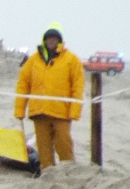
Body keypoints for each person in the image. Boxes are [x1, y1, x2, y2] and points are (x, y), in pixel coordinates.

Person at [13, 23, 84, 170]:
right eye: (49, 39)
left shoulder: (71, 60)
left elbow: (78, 86)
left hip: (61, 112)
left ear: (59, 41)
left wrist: (74, 111)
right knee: (44, 148)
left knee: (64, 144)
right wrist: (19, 110)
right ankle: (47, 175)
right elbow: (23, 85)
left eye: (54, 39)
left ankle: (69, 173)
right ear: (44, 41)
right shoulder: (33, 60)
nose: (51, 42)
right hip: (39, 112)